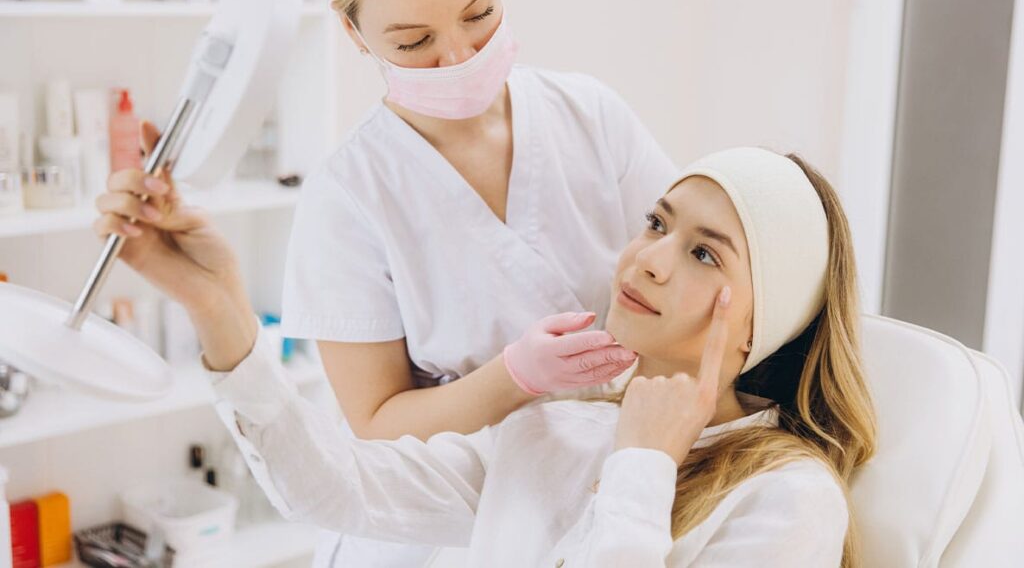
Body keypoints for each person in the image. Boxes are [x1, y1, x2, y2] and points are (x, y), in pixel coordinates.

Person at [93, 0, 677, 563]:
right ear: (351, 30)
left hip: (602, 496)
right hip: (435, 531)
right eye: (414, 41)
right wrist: (514, 376)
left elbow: (690, 266)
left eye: (479, 14)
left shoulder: (591, 116)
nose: (458, 57)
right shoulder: (348, 197)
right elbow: (373, 427)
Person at [106, 147, 878, 566]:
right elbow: (333, 489)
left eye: (707, 256)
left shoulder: (789, 498)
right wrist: (220, 310)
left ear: (765, 322)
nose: (647, 260)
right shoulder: (556, 431)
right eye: (656, 222)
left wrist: (644, 466)